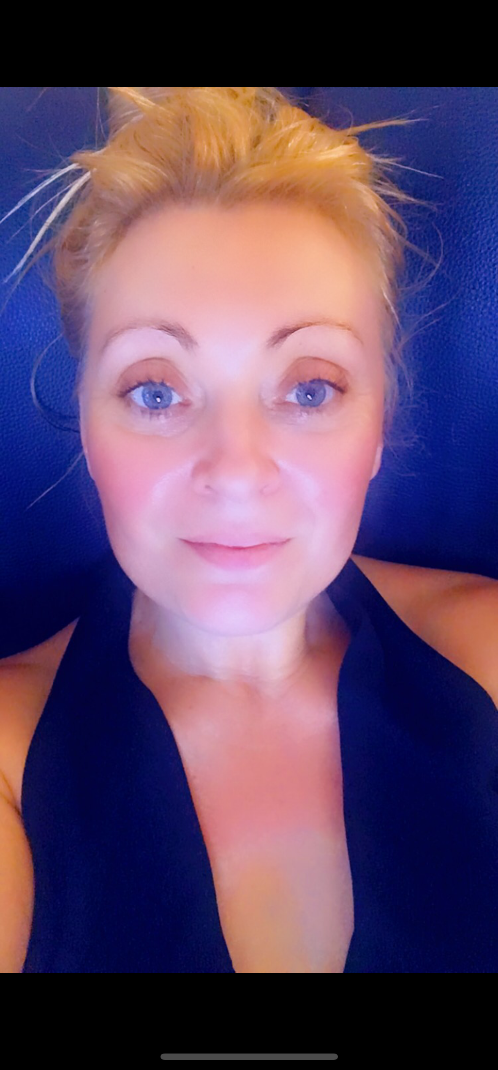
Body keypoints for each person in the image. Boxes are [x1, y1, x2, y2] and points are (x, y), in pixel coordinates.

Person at [11, 88, 496, 974]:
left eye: (309, 388)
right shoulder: (9, 760)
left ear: (379, 425)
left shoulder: (488, 656)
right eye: (156, 390)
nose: (235, 470)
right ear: (85, 426)